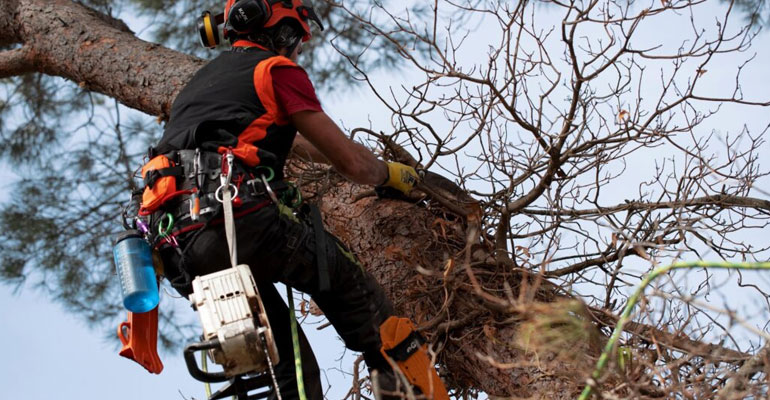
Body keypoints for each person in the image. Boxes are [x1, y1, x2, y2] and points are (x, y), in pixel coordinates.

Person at [140, 0, 441, 399]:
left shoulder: (199, 86)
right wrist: (388, 173)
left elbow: (285, 138)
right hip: (241, 219)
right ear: (281, 30)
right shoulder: (276, 69)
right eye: (297, 36)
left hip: (180, 247)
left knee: (287, 372)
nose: (298, 48)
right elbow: (352, 164)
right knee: (364, 303)